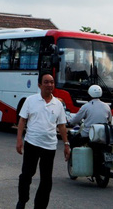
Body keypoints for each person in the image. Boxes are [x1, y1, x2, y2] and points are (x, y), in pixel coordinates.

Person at [16, 73, 70, 209]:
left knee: (46, 180)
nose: (49, 85)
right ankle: (22, 201)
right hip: (32, 143)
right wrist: (19, 140)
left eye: (51, 82)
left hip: (49, 146)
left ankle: (40, 206)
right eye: (46, 82)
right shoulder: (30, 100)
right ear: (39, 85)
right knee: (26, 174)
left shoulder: (58, 104)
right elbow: (22, 120)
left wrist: (66, 144)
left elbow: (62, 125)